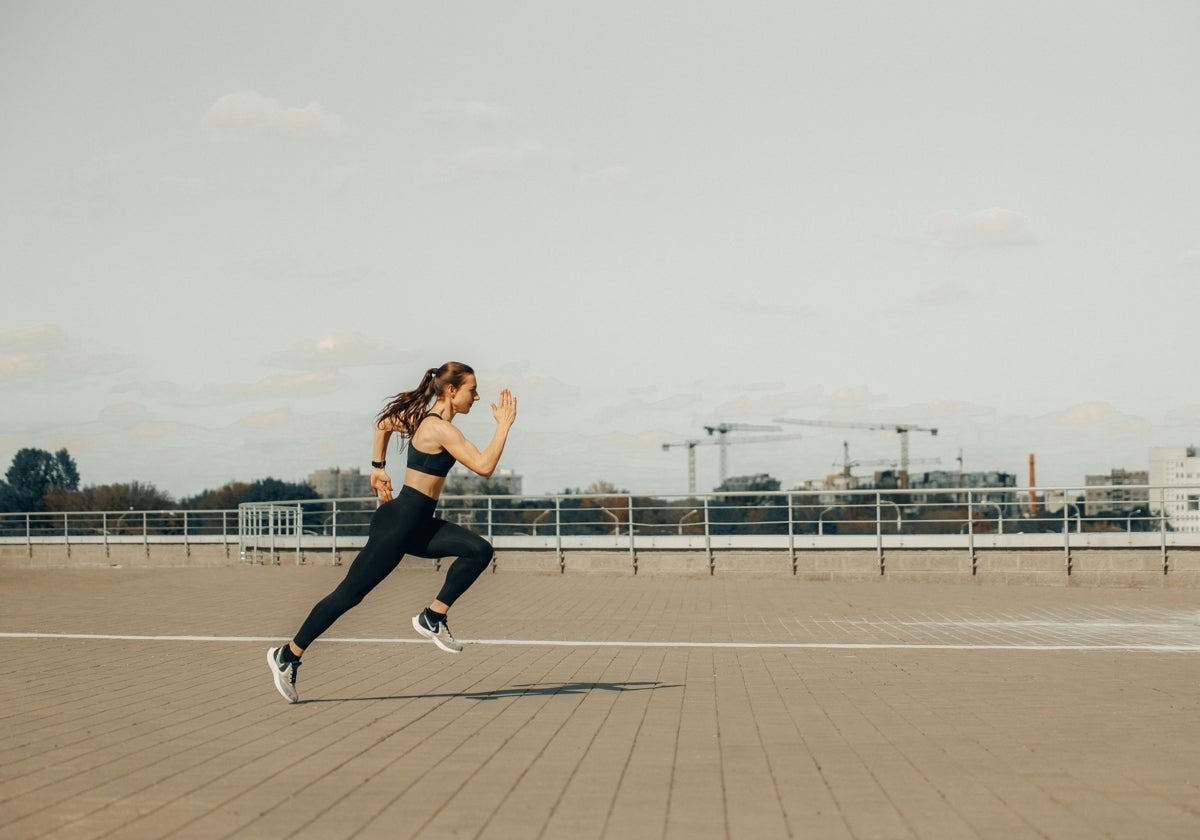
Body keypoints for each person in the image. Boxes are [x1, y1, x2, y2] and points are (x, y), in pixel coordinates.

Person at [267, 362, 517, 703]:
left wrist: (377, 468)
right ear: (451, 391)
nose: (476, 396)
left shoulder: (426, 421)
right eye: (472, 389)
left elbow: (383, 424)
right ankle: (288, 655)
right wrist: (503, 426)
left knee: (478, 550)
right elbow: (485, 466)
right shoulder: (439, 429)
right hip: (398, 524)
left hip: (417, 524)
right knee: (348, 596)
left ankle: (432, 616)